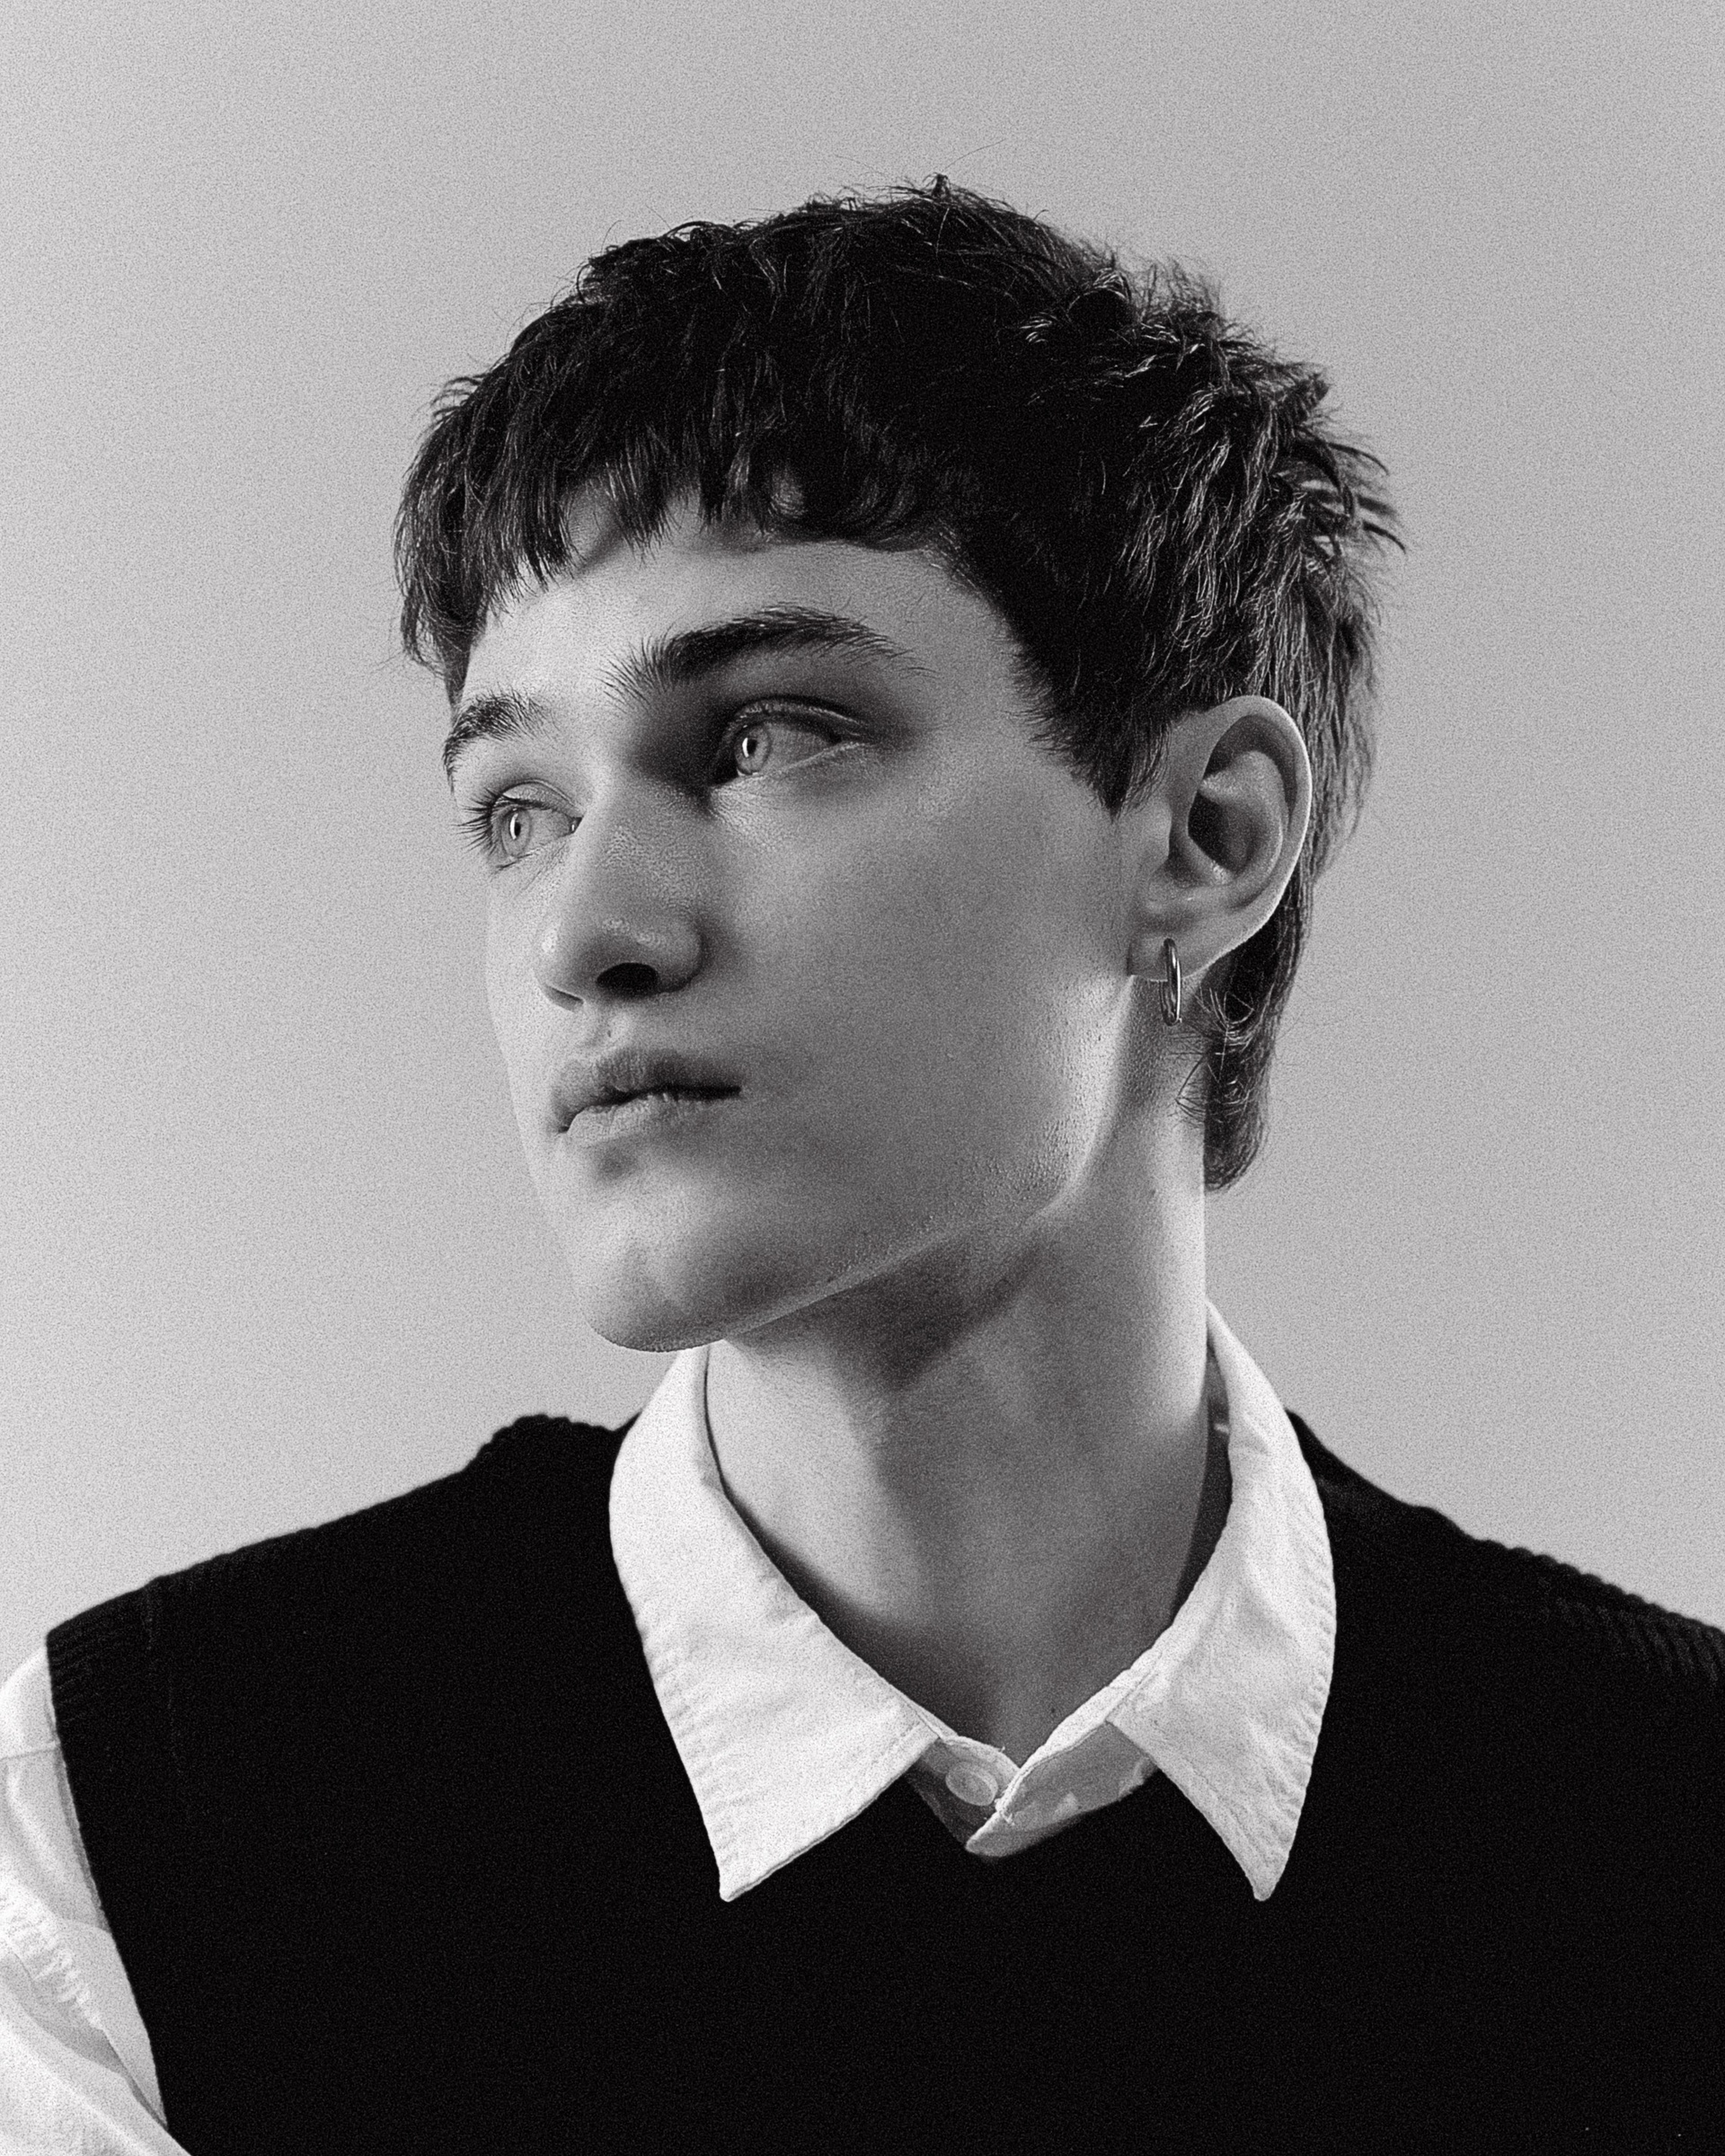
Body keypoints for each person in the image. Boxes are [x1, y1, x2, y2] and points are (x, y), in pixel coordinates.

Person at [2, 181, 1718, 2152]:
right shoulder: (145, 1834)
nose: (587, 932)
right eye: (516, 809)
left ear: (1207, 837)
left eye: (769, 737)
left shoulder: (1671, 1848)